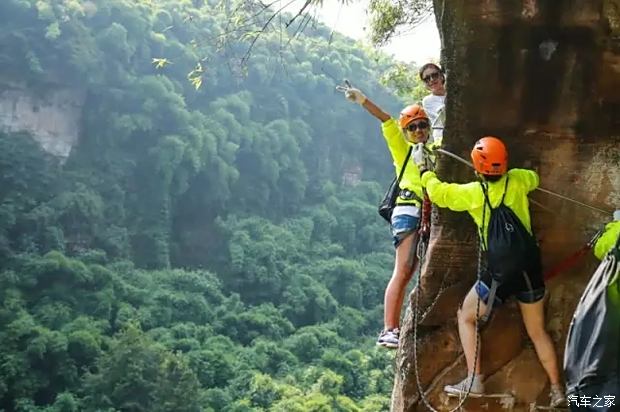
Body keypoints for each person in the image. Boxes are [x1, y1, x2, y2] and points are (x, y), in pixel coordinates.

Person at [414, 136, 565, 407]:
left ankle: (475, 380)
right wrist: (528, 170)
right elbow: (534, 178)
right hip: (529, 270)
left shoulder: (473, 193)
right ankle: (557, 390)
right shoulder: (518, 180)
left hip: (499, 275)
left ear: (476, 168)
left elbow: (440, 194)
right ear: (504, 164)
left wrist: (424, 172)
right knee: (538, 331)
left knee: (466, 316)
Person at [337, 81, 439, 349]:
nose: (418, 130)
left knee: (419, 269)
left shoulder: (434, 152)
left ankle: (409, 321)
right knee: (404, 269)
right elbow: (386, 119)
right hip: (408, 210)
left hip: (430, 211)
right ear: (406, 131)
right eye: (412, 127)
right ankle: (389, 329)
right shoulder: (402, 147)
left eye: (422, 125)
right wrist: (362, 100)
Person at [419, 63, 446, 143]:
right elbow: (444, 114)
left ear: (441, 76)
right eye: (427, 79)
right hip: (442, 138)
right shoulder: (428, 101)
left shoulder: (455, 92)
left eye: (434, 75)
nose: (431, 80)